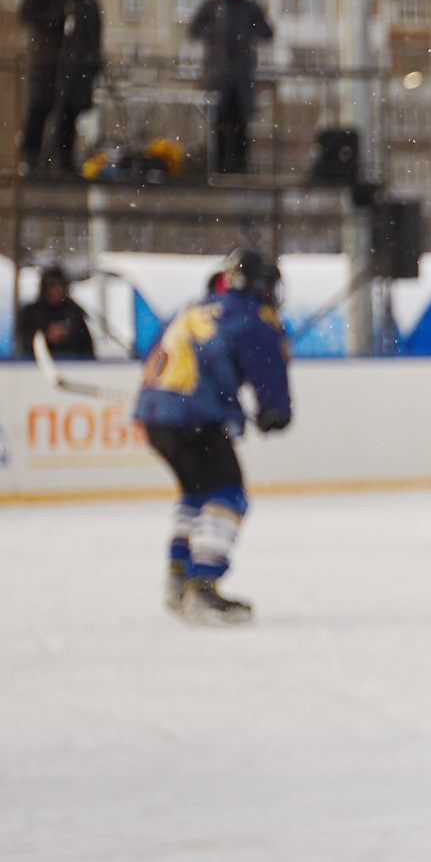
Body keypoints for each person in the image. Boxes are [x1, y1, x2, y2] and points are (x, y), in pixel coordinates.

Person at [131, 248, 293, 625]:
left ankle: (179, 576)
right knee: (228, 494)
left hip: (156, 417)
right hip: (194, 417)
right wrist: (274, 409)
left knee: (198, 492)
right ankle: (201, 586)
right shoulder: (249, 316)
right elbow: (267, 365)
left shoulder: (193, 307)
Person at [18, 0, 104, 176]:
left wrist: (93, 60)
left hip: (76, 66)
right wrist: (56, 18)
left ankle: (64, 160)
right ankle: (32, 158)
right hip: (48, 63)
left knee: (69, 114)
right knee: (40, 109)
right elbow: (28, 15)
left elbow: (93, 31)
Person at [187, 0, 275, 175]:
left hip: (241, 77)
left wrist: (247, 33)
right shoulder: (214, 6)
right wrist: (214, 33)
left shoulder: (249, 8)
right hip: (218, 76)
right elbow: (194, 29)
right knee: (219, 123)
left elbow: (267, 32)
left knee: (241, 123)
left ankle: (239, 167)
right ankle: (219, 166)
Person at [13, 265, 96, 360]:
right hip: (36, 364)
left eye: (60, 286)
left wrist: (68, 335)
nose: (57, 290)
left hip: (72, 363)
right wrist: (45, 335)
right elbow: (22, 340)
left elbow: (86, 346)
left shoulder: (73, 311)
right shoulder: (31, 313)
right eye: (52, 286)